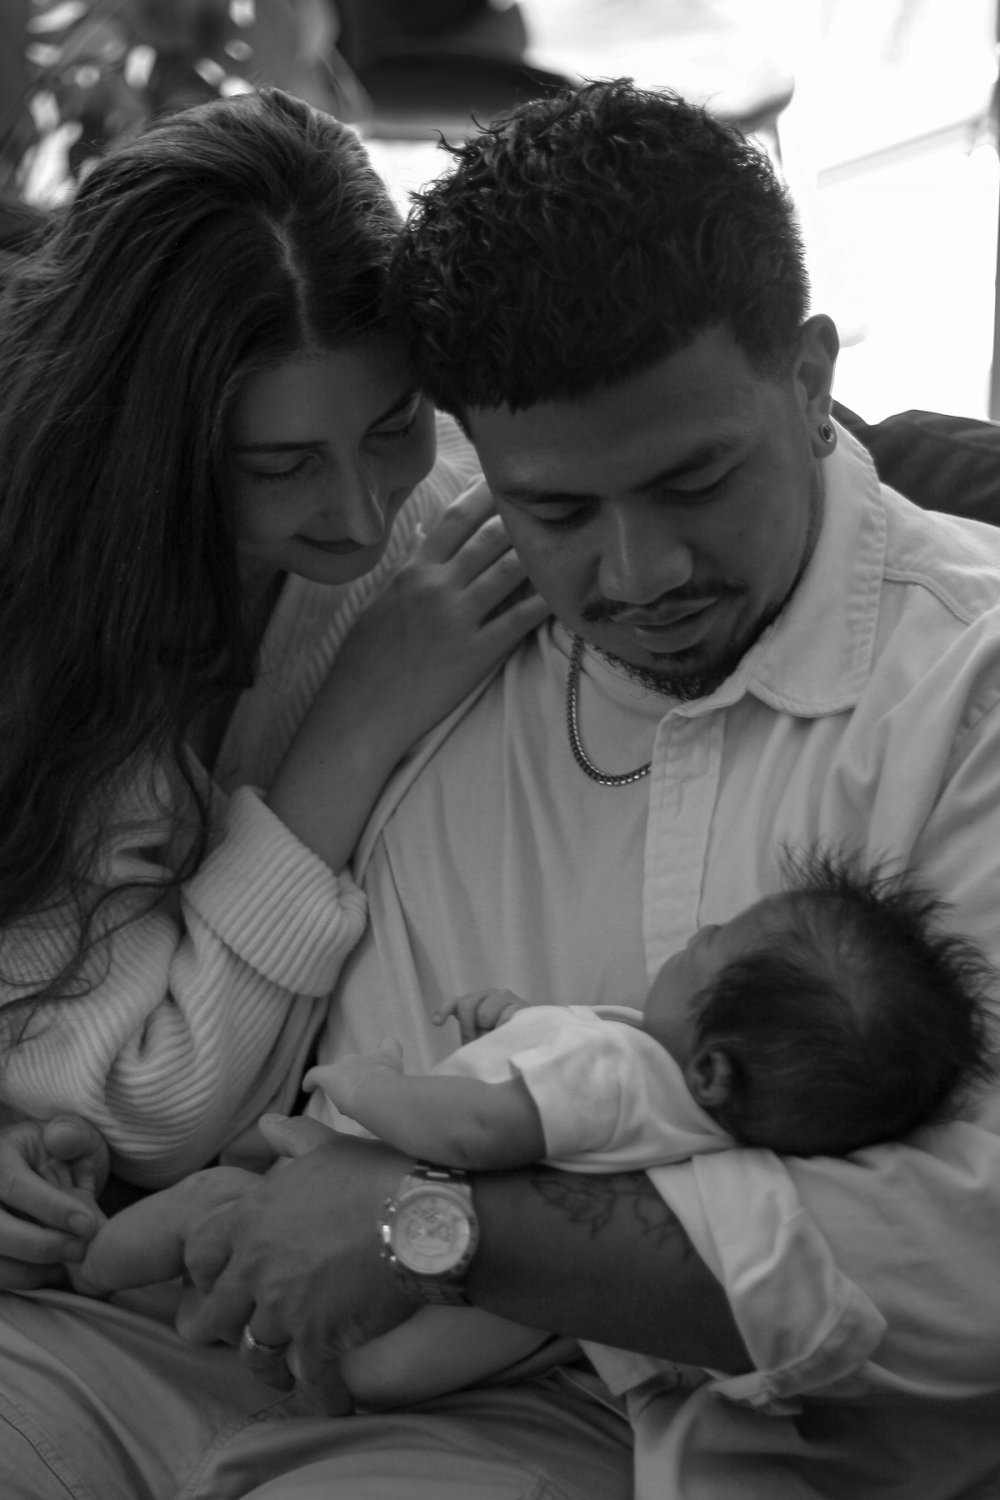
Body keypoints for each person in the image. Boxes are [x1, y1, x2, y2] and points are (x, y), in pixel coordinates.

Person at [4, 75, 1000, 1500]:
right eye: (560, 511)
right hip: (185, 1326)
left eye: (696, 481)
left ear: (812, 374)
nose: (638, 578)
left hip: (592, 1409)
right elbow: (114, 1015)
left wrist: (444, 1224)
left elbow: (973, 1250)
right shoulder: (415, 585)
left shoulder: (966, 687)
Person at [0, 83, 544, 1214]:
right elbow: (142, 1106)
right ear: (149, 450)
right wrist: (355, 728)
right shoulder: (50, 610)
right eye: (278, 466)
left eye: (395, 424)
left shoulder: (446, 529)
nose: (359, 514)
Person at [70, 849, 997, 1424]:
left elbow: (476, 1128)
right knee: (235, 1297)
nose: (701, 930)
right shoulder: (710, 1140)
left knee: (213, 1214)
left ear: (711, 1067)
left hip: (388, 1281)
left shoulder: (627, 1069)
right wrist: (514, 1023)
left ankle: (81, 1257)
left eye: (711, 946)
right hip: (469, 1345)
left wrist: (370, 1086)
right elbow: (558, 1108)